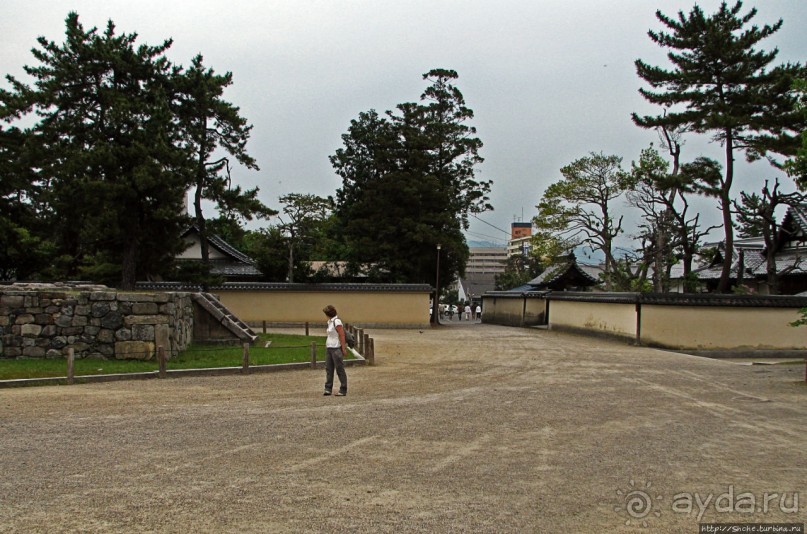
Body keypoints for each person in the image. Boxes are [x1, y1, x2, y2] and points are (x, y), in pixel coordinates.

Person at [322, 305, 347, 396]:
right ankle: (328, 388)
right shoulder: (329, 322)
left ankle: (343, 389)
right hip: (329, 347)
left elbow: (342, 335)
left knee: (339, 369)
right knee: (329, 369)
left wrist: (343, 348)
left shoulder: (337, 321)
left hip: (336, 347)